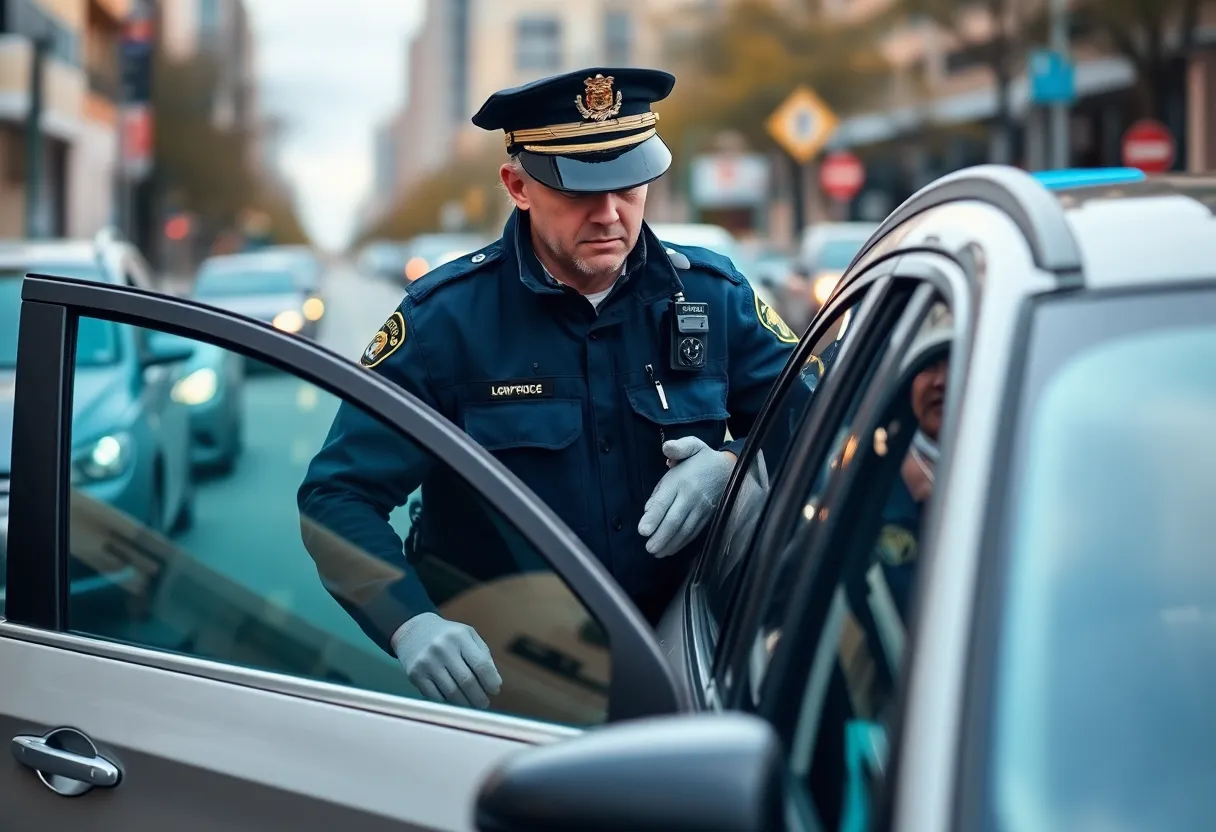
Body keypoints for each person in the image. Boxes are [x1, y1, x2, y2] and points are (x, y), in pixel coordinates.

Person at [297, 66, 798, 709]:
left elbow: (821, 424)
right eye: (580, 189)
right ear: (519, 186)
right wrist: (409, 621)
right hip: (516, 682)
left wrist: (732, 467)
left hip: (689, 660)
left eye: (629, 185)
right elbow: (338, 495)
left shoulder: (713, 295)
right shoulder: (444, 322)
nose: (610, 214)